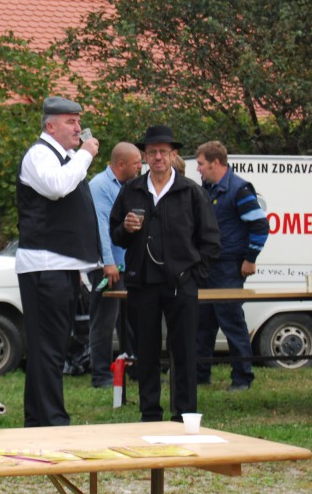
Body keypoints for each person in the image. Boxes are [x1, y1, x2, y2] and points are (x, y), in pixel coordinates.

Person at [109, 125, 220, 422]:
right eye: (152, 152)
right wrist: (126, 229)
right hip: (143, 282)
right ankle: (150, 411)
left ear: (172, 154)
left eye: (163, 151)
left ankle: (184, 413)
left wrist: (196, 275)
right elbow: (115, 233)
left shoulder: (190, 192)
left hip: (181, 283)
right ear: (144, 156)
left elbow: (210, 240)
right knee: (146, 351)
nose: (158, 157)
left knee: (183, 350)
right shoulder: (131, 190)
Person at [15, 97, 100, 427]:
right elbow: (56, 188)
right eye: (70, 121)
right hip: (43, 265)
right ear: (50, 125)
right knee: (48, 348)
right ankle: (52, 421)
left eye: (79, 121)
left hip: (59, 266)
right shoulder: (40, 154)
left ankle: (39, 418)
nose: (78, 127)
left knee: (48, 347)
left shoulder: (65, 158)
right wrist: (86, 155)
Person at [195, 141, 268, 391]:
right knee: (202, 322)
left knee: (231, 320)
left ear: (216, 163)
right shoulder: (207, 188)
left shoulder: (239, 189)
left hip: (228, 266)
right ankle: (199, 374)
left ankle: (242, 378)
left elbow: (259, 225)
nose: (199, 169)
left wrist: (250, 258)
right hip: (207, 266)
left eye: (201, 164)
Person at [87, 142, 142, 389]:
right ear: (121, 165)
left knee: (130, 320)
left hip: (124, 264)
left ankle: (133, 368)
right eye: (136, 163)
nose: (140, 167)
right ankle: (100, 375)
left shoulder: (128, 186)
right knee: (104, 321)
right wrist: (108, 263)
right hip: (106, 266)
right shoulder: (100, 186)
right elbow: (101, 228)